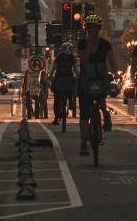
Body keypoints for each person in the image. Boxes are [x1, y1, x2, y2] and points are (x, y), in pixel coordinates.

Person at [77, 14, 117, 156]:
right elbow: (83, 60)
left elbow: (111, 60)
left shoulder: (105, 44)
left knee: (102, 100)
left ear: (99, 29)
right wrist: (89, 46)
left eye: (95, 28)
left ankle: (106, 115)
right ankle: (83, 143)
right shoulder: (82, 43)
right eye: (90, 28)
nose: (93, 31)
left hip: (100, 77)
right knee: (84, 114)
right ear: (86, 29)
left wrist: (116, 73)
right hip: (86, 78)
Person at [50, 43, 77, 126]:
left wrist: (50, 75)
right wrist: (78, 75)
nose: (66, 56)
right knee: (72, 87)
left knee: (56, 99)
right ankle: (71, 101)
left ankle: (56, 118)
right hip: (68, 77)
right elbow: (75, 69)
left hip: (59, 77)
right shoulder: (72, 57)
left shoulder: (59, 56)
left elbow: (54, 67)